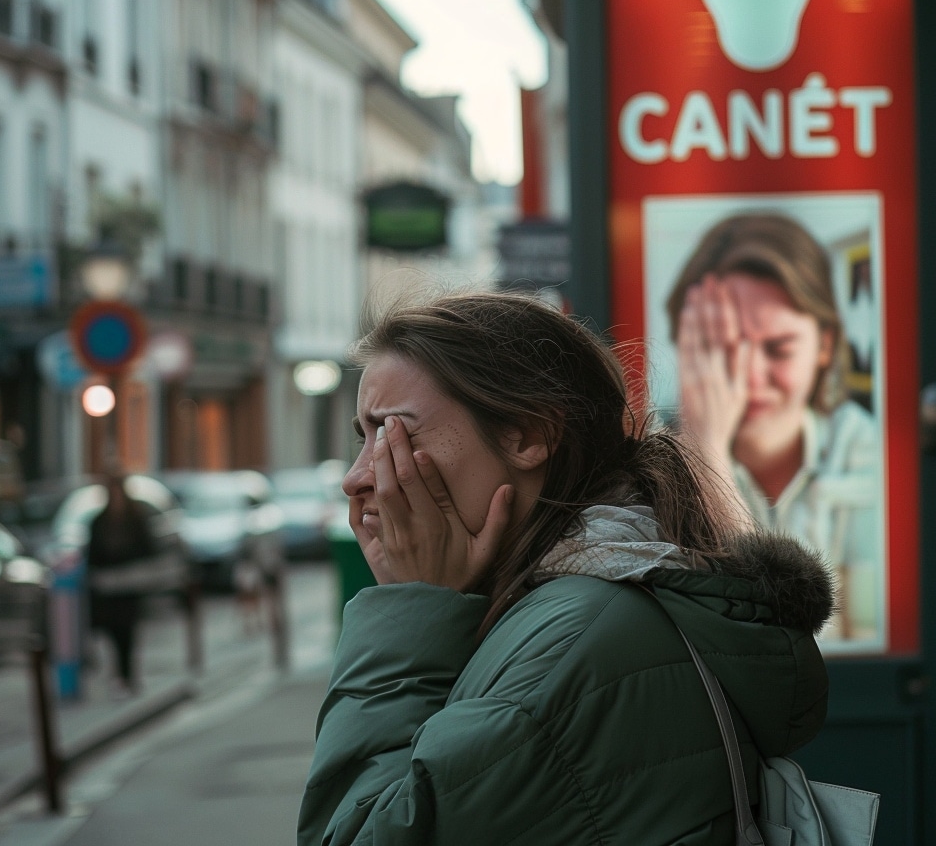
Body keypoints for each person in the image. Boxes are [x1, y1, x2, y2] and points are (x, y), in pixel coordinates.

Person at [298, 290, 834, 845]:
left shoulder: (570, 643)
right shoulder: (576, 609)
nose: (358, 476)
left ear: (529, 435)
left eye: (392, 434)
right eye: (363, 439)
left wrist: (410, 608)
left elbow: (358, 832)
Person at [664, 211, 882, 643]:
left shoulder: (866, 447)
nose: (749, 375)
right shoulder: (651, 461)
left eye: (778, 349)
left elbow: (863, 632)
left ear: (824, 344)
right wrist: (703, 447)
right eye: (723, 349)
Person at [86, 469, 158, 694]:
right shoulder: (99, 522)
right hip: (108, 590)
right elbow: (92, 555)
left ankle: (128, 675)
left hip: (130, 587)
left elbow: (148, 549)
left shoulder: (136, 518)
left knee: (128, 632)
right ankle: (119, 674)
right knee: (113, 632)